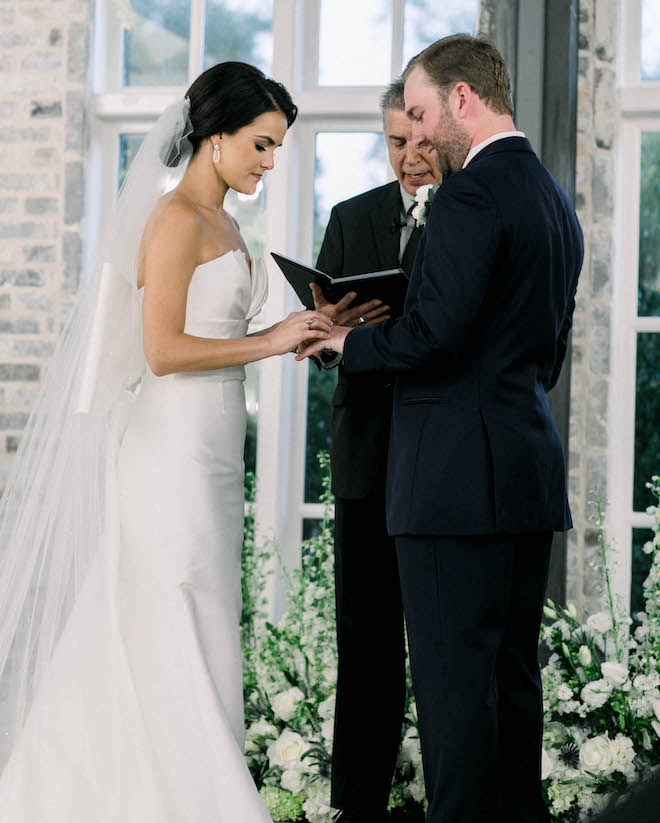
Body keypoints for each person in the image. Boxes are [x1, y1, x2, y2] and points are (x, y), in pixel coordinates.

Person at [0, 62, 330, 821]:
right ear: (214, 135)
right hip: (167, 455)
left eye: (277, 148)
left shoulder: (227, 223)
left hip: (211, 457)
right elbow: (163, 352)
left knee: (206, 613)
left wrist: (297, 334)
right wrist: (269, 341)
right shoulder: (176, 218)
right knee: (167, 608)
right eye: (261, 144)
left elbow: (218, 335)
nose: (268, 162)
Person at [298, 34, 584, 823]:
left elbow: (432, 335)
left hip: (452, 490)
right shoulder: (553, 199)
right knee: (510, 696)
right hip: (525, 481)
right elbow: (547, 355)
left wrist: (348, 340)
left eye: (421, 115)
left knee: (455, 706)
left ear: (463, 97)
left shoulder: (468, 195)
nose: (417, 137)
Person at [311, 79, 439, 823]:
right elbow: (326, 350)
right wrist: (329, 331)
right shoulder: (349, 217)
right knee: (363, 654)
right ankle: (354, 809)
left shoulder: (466, 216)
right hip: (366, 466)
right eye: (396, 143)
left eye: (419, 142)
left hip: (435, 464)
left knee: (441, 655)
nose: (410, 158)